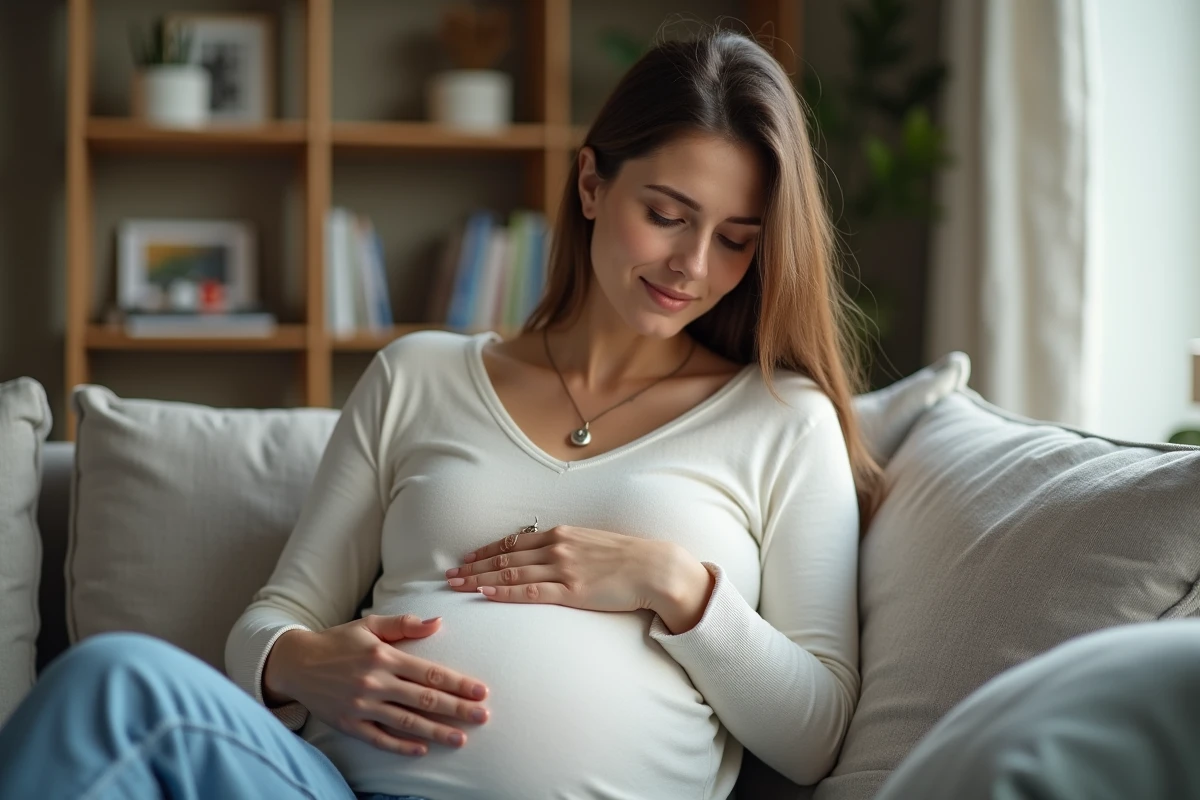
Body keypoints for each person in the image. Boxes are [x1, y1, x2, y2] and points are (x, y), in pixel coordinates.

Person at [0, 28, 884, 800]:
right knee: (111, 683)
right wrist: (298, 664)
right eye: (667, 215)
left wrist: (675, 585)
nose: (693, 264)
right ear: (590, 184)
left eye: (736, 239)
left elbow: (814, 736)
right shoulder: (417, 375)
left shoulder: (782, 420)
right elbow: (274, 616)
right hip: (334, 786)